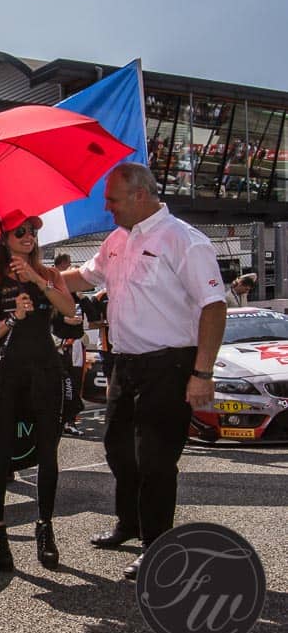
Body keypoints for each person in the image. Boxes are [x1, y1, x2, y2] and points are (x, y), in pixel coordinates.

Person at [60, 162, 225, 580]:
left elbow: (214, 306)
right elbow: (83, 276)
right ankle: (129, 524)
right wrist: (31, 275)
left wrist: (202, 374)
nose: (108, 208)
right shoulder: (117, 239)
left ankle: (157, 544)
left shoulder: (184, 240)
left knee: (156, 460)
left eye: (112, 199)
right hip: (126, 364)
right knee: (118, 451)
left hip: (170, 365)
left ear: (139, 195)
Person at [0, 210, 77, 572]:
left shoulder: (49, 274)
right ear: (5, 239)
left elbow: (69, 308)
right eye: (20, 232)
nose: (29, 236)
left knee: (48, 454)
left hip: (45, 372)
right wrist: (13, 317)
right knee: (0, 456)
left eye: (32, 231)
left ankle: (45, 527)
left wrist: (36, 278)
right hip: (9, 375)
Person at [52, 253, 86, 437]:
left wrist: (84, 298)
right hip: (62, 345)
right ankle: (64, 419)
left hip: (76, 344)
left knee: (75, 381)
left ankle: (70, 419)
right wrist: (65, 319)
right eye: (69, 266)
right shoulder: (53, 290)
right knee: (65, 382)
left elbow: (90, 315)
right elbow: (51, 317)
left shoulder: (76, 294)